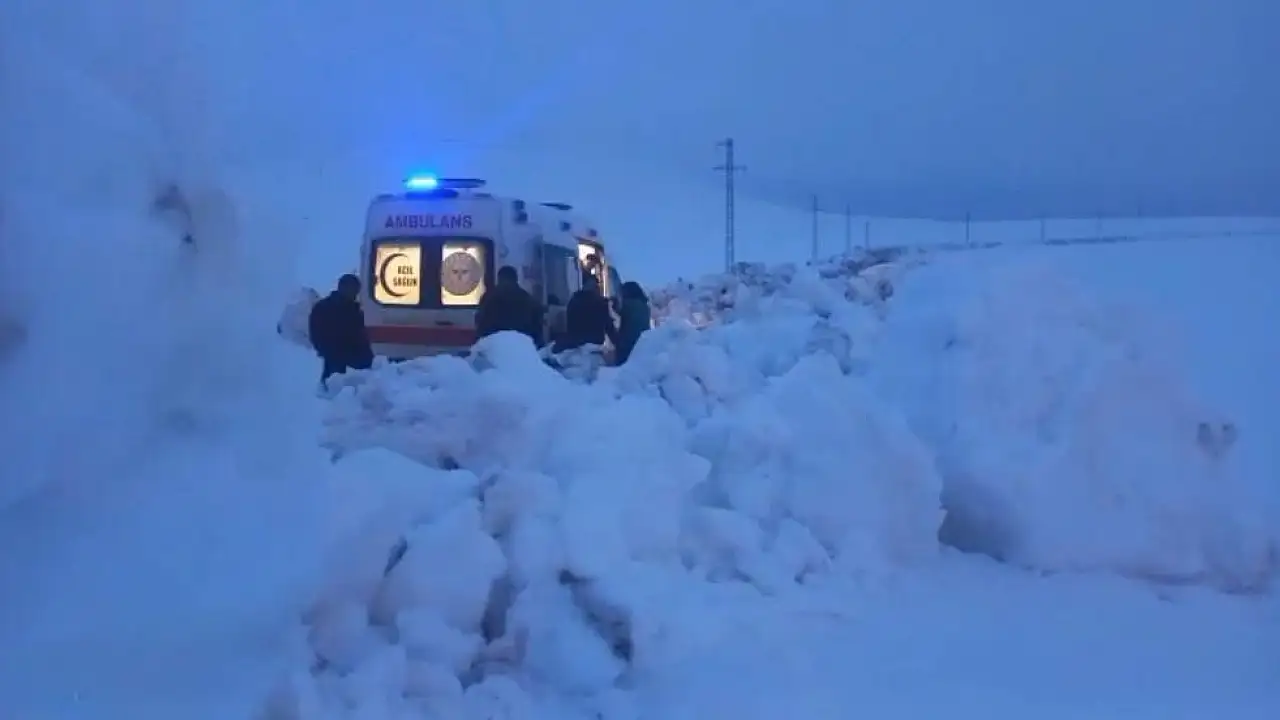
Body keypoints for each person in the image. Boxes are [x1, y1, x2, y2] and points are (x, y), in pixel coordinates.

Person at [308, 274, 374, 386]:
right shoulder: (324, 308)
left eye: (356, 290)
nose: (355, 293)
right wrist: (327, 351)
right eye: (353, 289)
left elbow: (361, 336)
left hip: (352, 361)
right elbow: (315, 333)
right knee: (334, 389)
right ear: (342, 287)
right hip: (336, 359)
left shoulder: (354, 310)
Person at [475, 265, 544, 346]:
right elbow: (537, 328)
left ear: (499, 278)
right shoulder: (528, 298)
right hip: (523, 346)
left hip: (495, 347)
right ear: (516, 279)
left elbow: (480, 323)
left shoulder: (488, 297)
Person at [551, 275, 617, 354]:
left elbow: (569, 323)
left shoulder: (574, 300)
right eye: (596, 285)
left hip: (575, 344)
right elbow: (608, 326)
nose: (597, 287)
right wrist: (618, 344)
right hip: (593, 345)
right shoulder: (600, 302)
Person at [614, 281, 651, 365]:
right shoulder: (645, 306)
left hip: (627, 345)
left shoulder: (627, 304)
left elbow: (616, 310)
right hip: (642, 343)